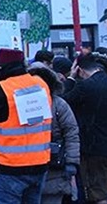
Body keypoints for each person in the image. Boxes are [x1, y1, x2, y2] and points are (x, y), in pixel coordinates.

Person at [0, 49, 52, 204]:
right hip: (40, 164)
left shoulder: (3, 89)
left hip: (11, 167)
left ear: (2, 67)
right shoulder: (41, 85)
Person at [63, 53, 107, 204]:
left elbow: (63, 103)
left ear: (79, 70)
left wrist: (70, 79)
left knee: (97, 193)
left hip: (95, 147)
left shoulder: (84, 86)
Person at [27, 66, 79, 204]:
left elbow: (71, 133)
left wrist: (72, 162)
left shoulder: (59, 105)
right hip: (32, 165)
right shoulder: (58, 104)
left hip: (53, 165)